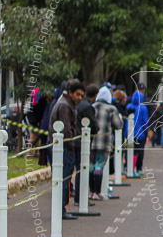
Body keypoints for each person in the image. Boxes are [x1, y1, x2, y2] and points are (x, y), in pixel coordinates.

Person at [51, 80, 85, 219]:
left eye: (82, 96)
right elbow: (66, 130)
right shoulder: (65, 106)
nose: (80, 98)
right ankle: (60, 211)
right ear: (70, 92)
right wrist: (72, 147)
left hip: (64, 148)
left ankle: (61, 209)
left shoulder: (66, 103)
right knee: (63, 180)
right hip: (63, 149)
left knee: (64, 180)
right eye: (78, 95)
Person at [93, 86, 123, 199]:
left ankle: (90, 192)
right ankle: (97, 192)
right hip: (105, 142)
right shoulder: (111, 109)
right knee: (99, 166)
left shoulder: (92, 106)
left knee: (90, 166)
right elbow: (119, 125)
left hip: (90, 142)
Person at [75, 84, 100, 203]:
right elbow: (93, 124)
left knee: (78, 169)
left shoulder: (78, 104)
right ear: (95, 95)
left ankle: (78, 197)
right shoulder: (88, 107)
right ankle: (81, 198)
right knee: (83, 168)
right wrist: (96, 129)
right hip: (83, 142)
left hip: (75, 140)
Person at [127, 89, 150, 178]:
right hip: (140, 134)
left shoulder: (129, 106)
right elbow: (145, 121)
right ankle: (138, 168)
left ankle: (128, 167)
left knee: (129, 151)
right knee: (139, 152)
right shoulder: (143, 108)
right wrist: (146, 131)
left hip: (129, 133)